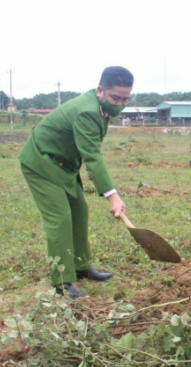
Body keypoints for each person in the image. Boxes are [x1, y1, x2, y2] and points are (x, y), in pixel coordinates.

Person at [18, 66, 131, 299]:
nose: (119, 104)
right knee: (60, 218)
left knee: (79, 210)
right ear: (101, 90)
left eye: (125, 99)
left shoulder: (99, 107)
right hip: (41, 162)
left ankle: (81, 267)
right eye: (115, 98)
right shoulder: (87, 111)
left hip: (64, 165)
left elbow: (86, 147)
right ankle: (62, 283)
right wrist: (112, 195)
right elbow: (92, 155)